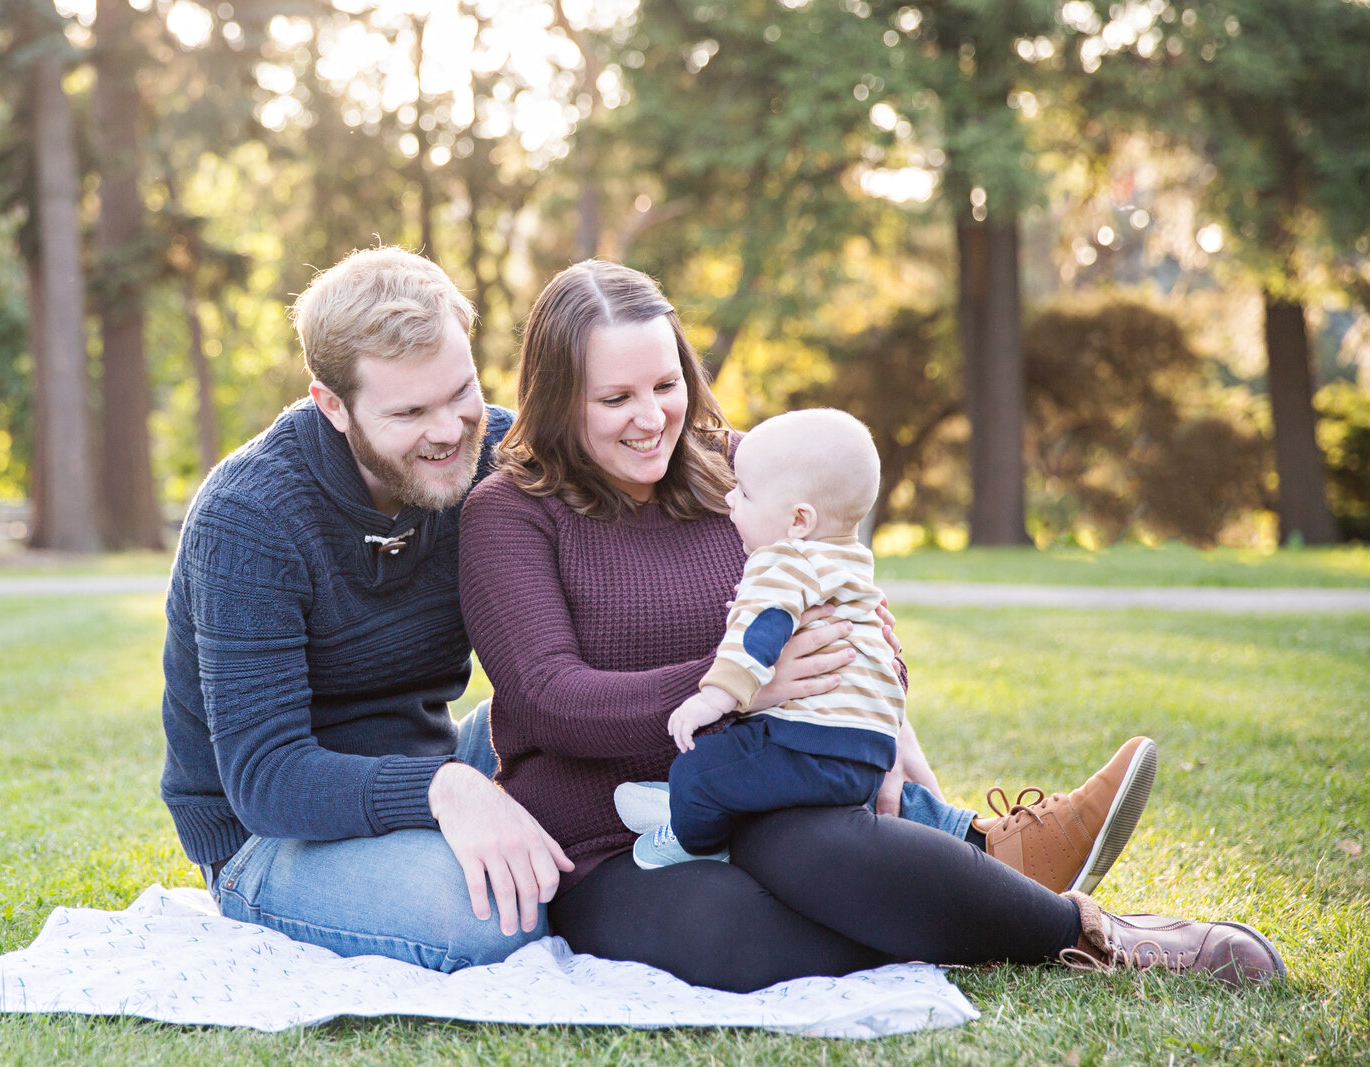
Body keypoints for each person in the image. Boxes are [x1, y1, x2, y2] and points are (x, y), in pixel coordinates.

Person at [457, 258, 1285, 991]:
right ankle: (984, 876)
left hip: (771, 792)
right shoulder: (510, 513)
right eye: (616, 398)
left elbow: (849, 610)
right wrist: (739, 686)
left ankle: (1092, 933)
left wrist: (891, 742)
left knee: (826, 854)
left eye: (666, 385)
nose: (652, 418)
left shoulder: (742, 471)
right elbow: (549, 697)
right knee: (738, 937)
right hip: (611, 838)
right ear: (559, 397)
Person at [159, 247, 573, 972]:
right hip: (271, 839)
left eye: (461, 391)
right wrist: (445, 789)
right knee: (488, 917)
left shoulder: (497, 454)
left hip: (430, 763)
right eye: (410, 411)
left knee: (609, 757)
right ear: (333, 405)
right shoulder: (250, 517)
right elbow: (266, 778)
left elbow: (647, 465)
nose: (449, 430)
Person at [631, 408, 912, 869]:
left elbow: (757, 637)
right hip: (868, 755)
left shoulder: (782, 560)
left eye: (743, 492)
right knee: (744, 766)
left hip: (810, 744)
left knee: (695, 770)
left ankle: (696, 839)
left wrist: (713, 698)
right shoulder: (851, 563)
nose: (729, 499)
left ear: (798, 520)